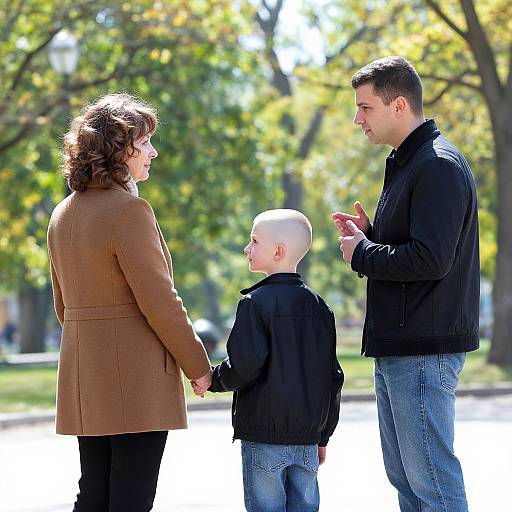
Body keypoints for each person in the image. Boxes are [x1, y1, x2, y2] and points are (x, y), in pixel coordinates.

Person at [47, 93, 212, 512]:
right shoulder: (129, 211)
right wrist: (198, 365)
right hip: (135, 382)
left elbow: (62, 307)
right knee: (131, 499)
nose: (153, 151)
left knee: (94, 494)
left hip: (86, 377)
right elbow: (161, 301)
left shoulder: (62, 213)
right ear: (119, 149)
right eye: (145, 142)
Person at [333, 57, 479, 511]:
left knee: (431, 483)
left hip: (422, 347)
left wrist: (363, 254)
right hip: (401, 344)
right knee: (408, 483)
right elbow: (420, 248)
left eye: (364, 107)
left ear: (399, 105)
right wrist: (372, 237)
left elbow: (432, 260)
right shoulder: (407, 163)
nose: (357, 118)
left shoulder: (437, 166)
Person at [193, 209, 344, 512]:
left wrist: (213, 379)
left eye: (254, 241)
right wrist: (323, 434)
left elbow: (245, 365)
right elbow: (332, 377)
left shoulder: (254, 304)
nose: (247, 248)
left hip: (264, 437)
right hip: (307, 438)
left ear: (277, 251)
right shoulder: (321, 308)